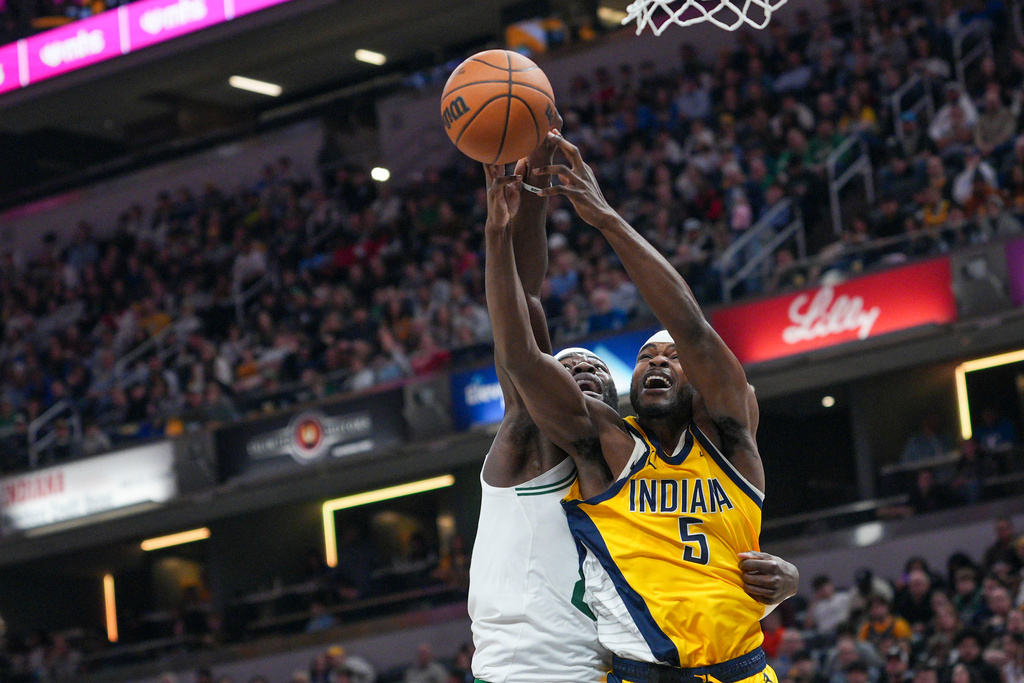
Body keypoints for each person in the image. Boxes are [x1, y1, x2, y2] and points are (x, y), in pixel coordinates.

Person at [472, 137, 799, 683]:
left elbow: (693, 327)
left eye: (673, 357)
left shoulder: (733, 443)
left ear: (696, 382)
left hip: (739, 669)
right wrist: (501, 229)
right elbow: (524, 358)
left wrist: (606, 219)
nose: (658, 362)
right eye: (646, 356)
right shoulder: (603, 446)